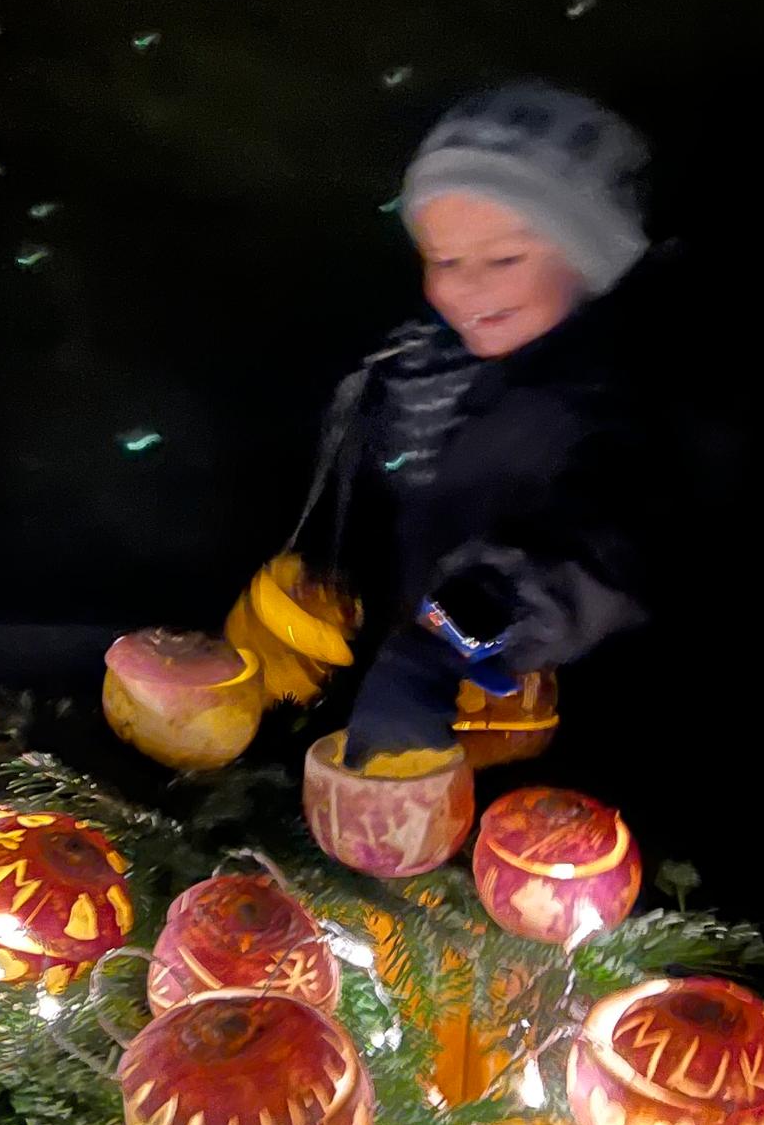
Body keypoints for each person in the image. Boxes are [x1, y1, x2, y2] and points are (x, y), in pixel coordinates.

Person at [283, 82, 692, 771]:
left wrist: (450, 639)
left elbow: (604, 545)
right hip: (432, 725)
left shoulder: (639, 389)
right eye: (444, 261)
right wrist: (321, 588)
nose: (465, 289)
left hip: (578, 753)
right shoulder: (416, 369)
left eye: (504, 260)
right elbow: (395, 508)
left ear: (592, 255)